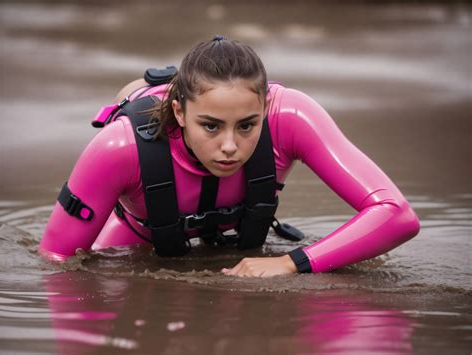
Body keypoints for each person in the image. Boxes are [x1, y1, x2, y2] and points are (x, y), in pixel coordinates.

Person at [39, 36, 420, 277]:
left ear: (265, 109)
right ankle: (147, 90)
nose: (229, 146)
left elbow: (397, 214)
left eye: (246, 125)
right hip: (143, 232)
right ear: (179, 114)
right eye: (210, 126)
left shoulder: (291, 117)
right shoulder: (118, 149)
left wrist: (290, 263)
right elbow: (55, 261)